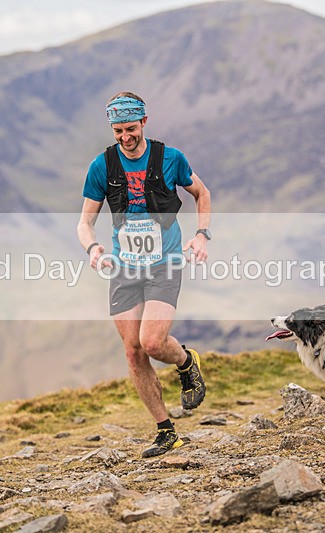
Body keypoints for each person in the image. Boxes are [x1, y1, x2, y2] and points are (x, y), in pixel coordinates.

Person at [77, 91, 212, 458]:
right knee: (133, 350)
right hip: (123, 268)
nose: (125, 137)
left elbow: (202, 193)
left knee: (153, 342)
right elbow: (84, 224)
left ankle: (186, 362)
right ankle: (166, 431)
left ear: (144, 123)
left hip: (164, 263)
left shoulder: (170, 158)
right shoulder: (101, 167)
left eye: (131, 128)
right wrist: (93, 249)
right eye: (118, 130)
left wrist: (201, 235)